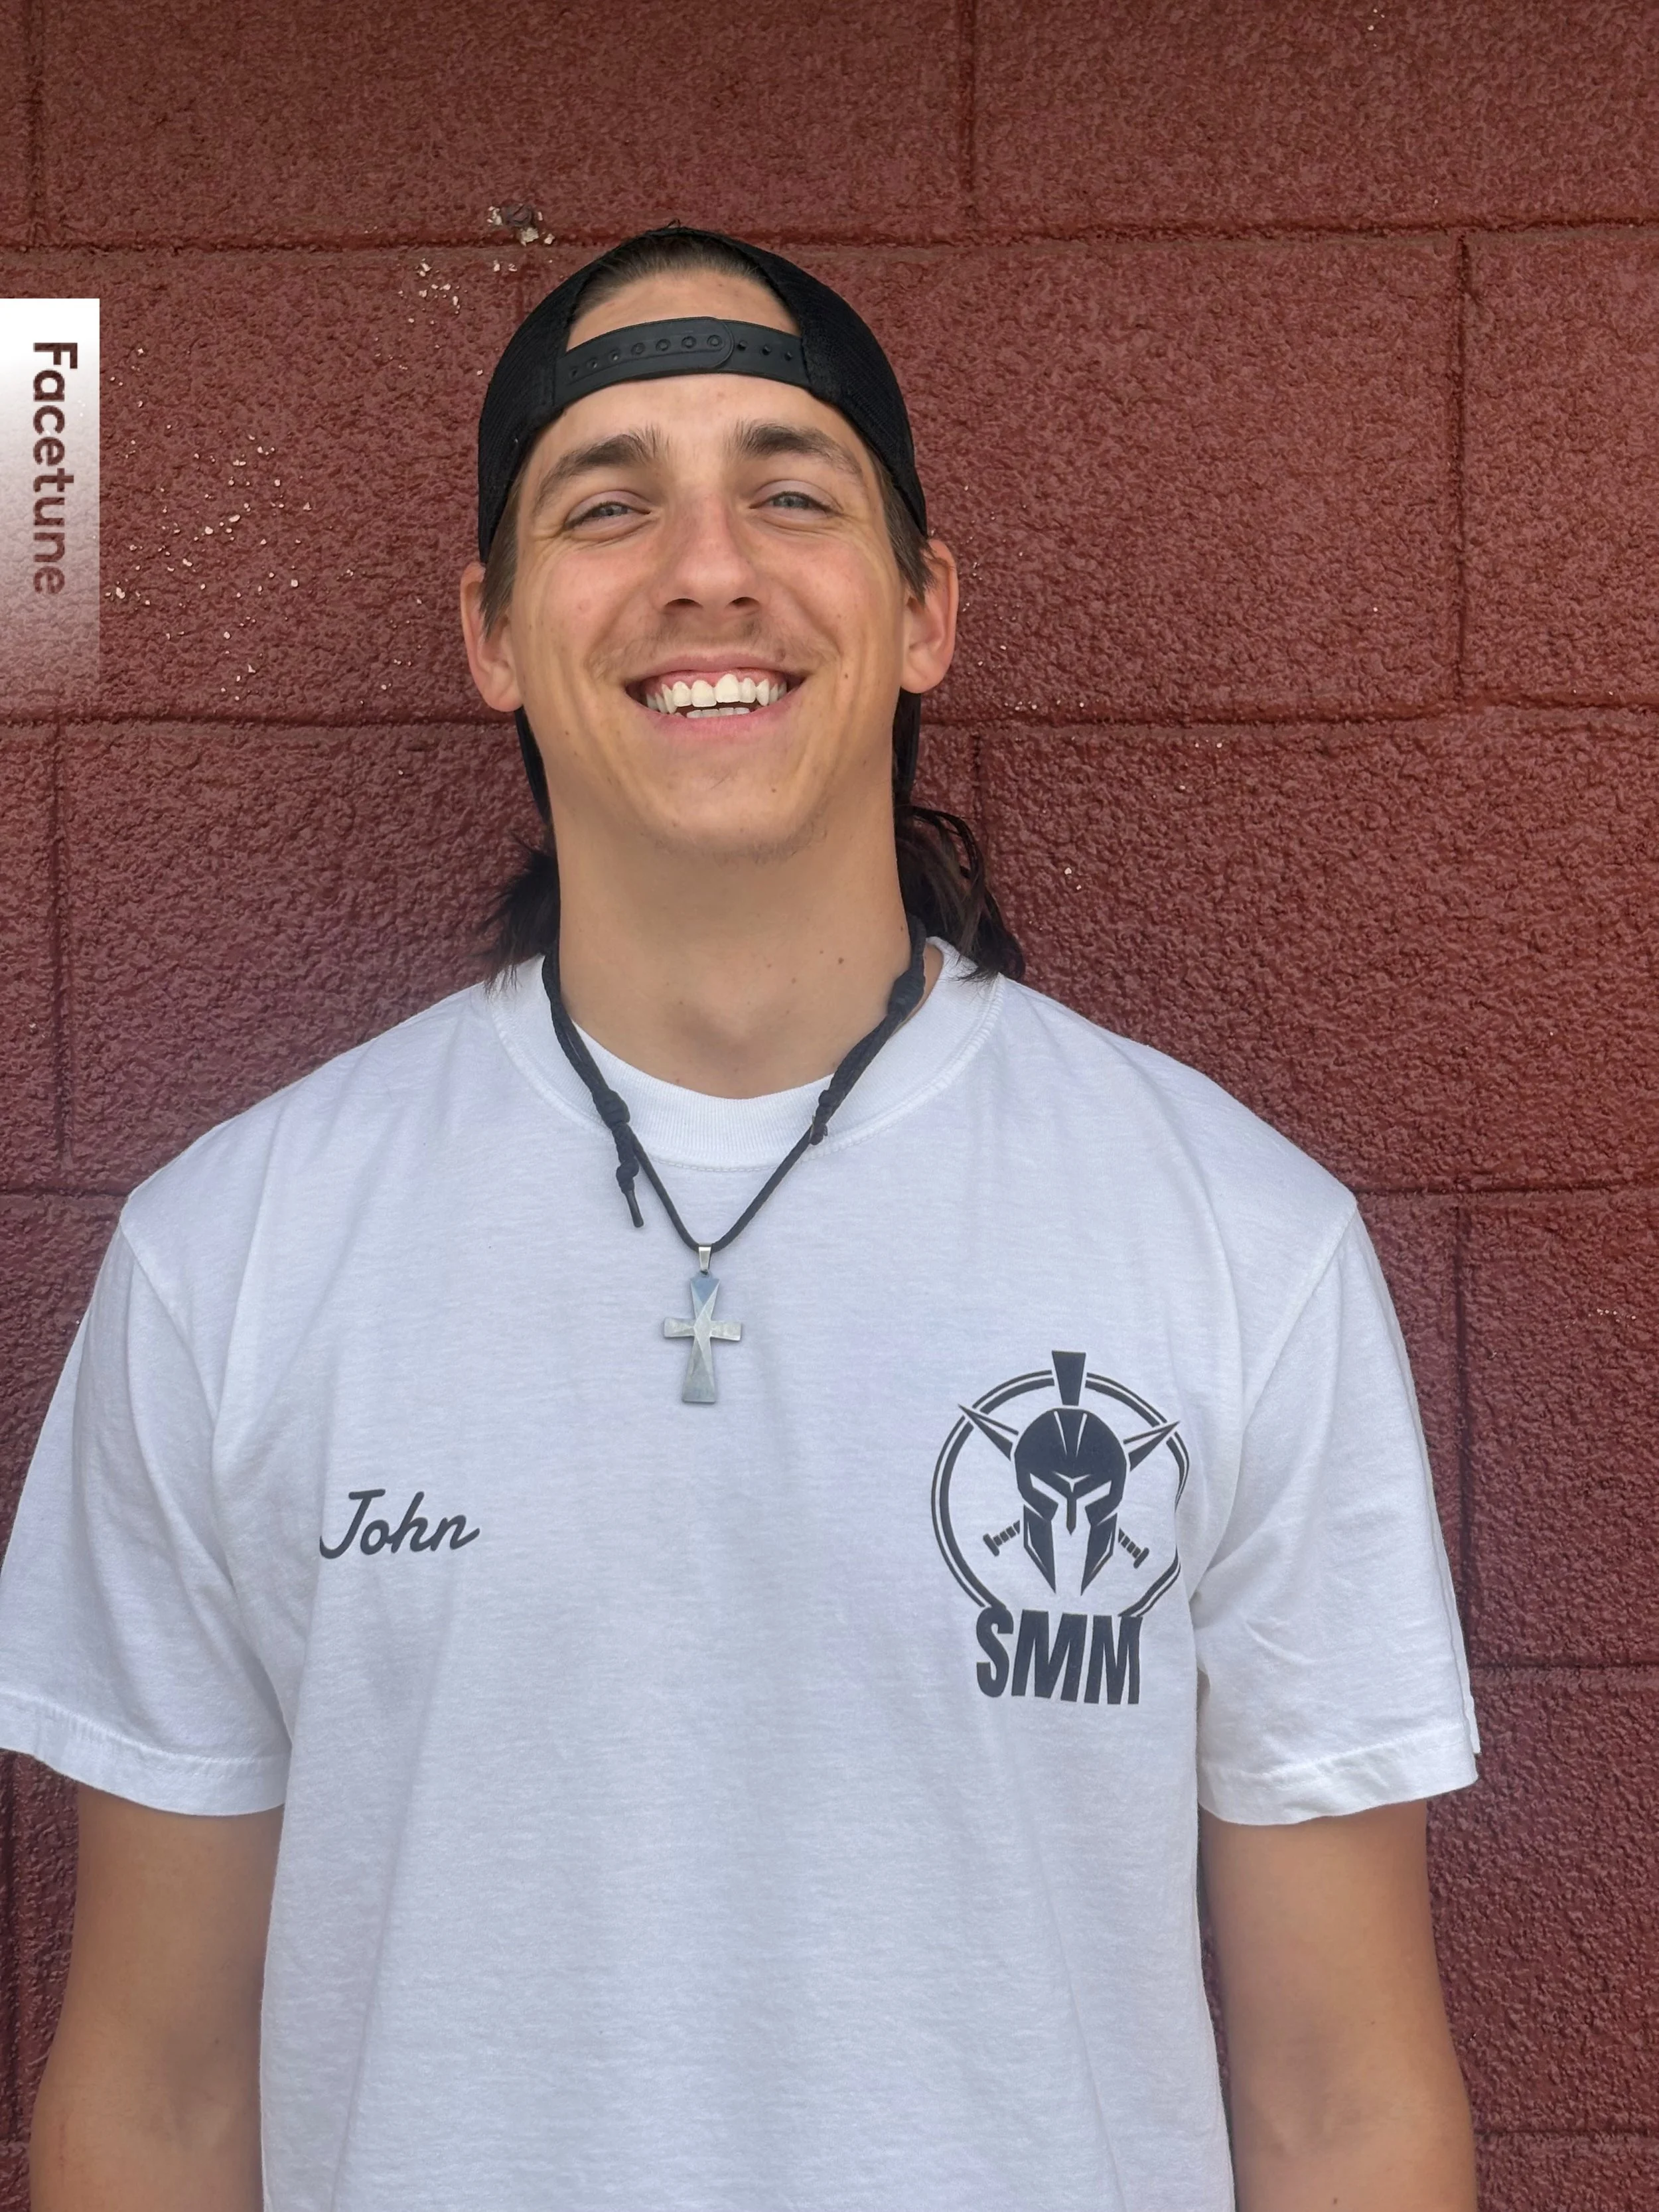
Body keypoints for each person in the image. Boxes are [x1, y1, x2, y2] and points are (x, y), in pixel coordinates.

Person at [0, 227, 1480, 2212]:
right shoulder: (230, 1261)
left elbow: (1339, 2099)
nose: (707, 565)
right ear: (494, 631)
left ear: (923, 605)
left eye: (791, 490)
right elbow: (159, 2094)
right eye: (606, 503)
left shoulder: (1235, 1241)